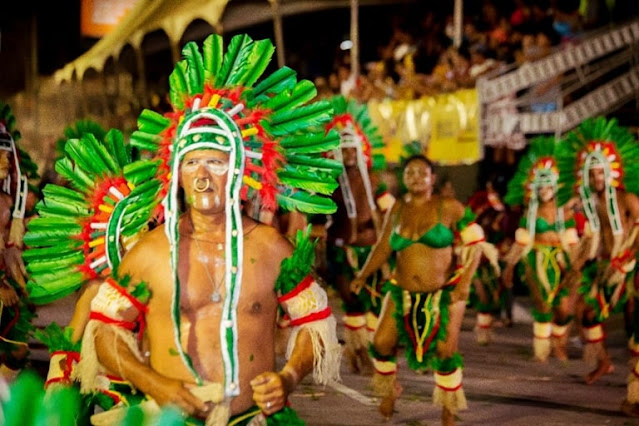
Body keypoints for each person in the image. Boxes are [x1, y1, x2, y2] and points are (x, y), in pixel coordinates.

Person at [73, 34, 342, 425]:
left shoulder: (271, 247)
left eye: (214, 163)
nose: (201, 177)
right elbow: (105, 331)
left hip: (252, 418)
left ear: (238, 170)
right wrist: (154, 383)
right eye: (191, 163)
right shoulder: (150, 252)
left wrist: (288, 376)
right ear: (175, 174)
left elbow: (313, 322)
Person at [351, 154, 486, 425]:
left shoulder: (449, 207)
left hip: (444, 293)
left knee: (445, 353)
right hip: (401, 290)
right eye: (409, 172)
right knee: (381, 343)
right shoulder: (397, 209)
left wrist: (465, 283)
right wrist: (364, 275)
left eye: (421, 173)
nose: (415, 177)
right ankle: (389, 391)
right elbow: (384, 246)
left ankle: (449, 409)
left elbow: (476, 244)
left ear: (432, 179)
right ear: (403, 178)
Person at [555, 117, 639, 415]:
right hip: (601, 265)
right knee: (587, 315)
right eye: (591, 174)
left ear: (610, 171)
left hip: (627, 267)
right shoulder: (589, 202)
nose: (596, 178)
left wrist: (627, 261)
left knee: (633, 324)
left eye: (600, 172)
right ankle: (604, 361)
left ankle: (635, 386)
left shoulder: (627, 198)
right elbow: (576, 226)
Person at [325, 95, 391, 375]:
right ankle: (357, 349)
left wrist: (386, 233)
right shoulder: (328, 181)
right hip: (339, 248)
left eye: (353, 149)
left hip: (368, 249)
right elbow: (315, 217)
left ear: (361, 150)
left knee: (374, 302)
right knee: (350, 300)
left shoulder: (375, 180)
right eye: (344, 149)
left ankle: (378, 349)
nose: (349, 154)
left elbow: (391, 211)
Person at [502, 136, 582, 362]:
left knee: (564, 309)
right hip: (536, 259)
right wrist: (509, 266)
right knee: (542, 304)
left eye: (548, 185)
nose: (545, 189)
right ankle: (544, 349)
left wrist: (575, 266)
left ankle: (559, 341)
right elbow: (522, 241)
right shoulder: (530, 213)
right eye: (541, 185)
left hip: (560, 259)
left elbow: (573, 242)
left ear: (555, 187)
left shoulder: (563, 212)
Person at [0, 102, 37, 382]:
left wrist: (17, 276)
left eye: (5, 155)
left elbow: (10, 245)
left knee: (17, 350)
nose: (5, 162)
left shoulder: (8, 201)